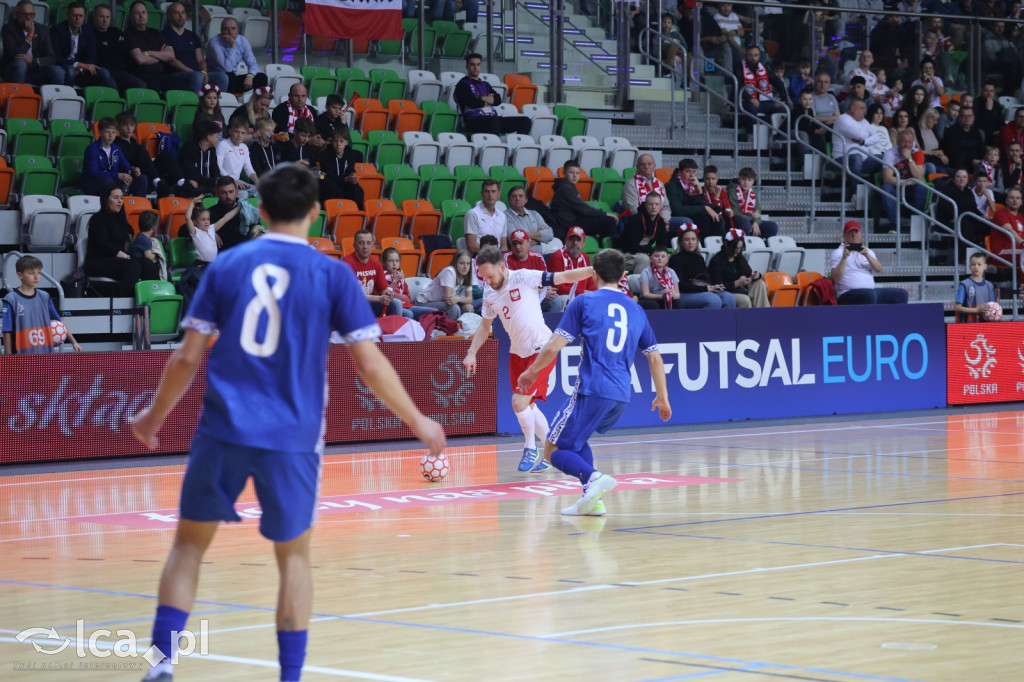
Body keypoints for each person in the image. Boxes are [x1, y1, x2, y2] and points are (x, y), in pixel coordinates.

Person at [131, 163, 445, 682]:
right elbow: (370, 363)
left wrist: (153, 417)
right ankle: (290, 677)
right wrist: (418, 421)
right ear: (317, 214)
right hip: (294, 437)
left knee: (187, 547)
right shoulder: (332, 273)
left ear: (264, 210)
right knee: (294, 560)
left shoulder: (228, 265)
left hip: (223, 429)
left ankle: (162, 663)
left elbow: (186, 357)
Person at [516, 248, 671, 515]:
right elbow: (655, 359)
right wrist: (662, 397)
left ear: (594, 273)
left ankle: (593, 479)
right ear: (624, 275)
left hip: (592, 388)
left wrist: (532, 371)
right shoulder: (636, 309)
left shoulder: (584, 302)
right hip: (622, 394)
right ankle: (592, 499)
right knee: (577, 440)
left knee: (552, 449)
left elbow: (554, 345)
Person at [463, 245, 597, 473]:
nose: (488, 281)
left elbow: (563, 276)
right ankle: (550, 451)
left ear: (502, 267)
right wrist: (471, 352)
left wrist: (595, 269)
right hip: (517, 352)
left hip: (542, 348)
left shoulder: (525, 277)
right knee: (528, 406)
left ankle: (529, 447)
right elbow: (485, 326)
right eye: (484, 277)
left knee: (519, 402)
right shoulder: (488, 292)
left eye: (491, 276)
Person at [2, 255, 81, 354]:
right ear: (20, 275)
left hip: (45, 355)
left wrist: (74, 342)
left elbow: (59, 320)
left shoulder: (45, 296)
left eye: (38, 273)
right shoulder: (11, 299)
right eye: (31, 273)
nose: (36, 277)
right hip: (22, 356)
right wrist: (8, 358)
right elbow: (7, 331)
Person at [84, 186, 154, 296]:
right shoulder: (98, 219)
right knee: (134, 266)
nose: (120, 201)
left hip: (117, 260)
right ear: (106, 199)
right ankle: (123, 303)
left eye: (121, 198)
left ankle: (153, 299)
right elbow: (103, 244)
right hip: (98, 261)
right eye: (116, 198)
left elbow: (129, 230)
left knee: (147, 264)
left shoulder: (120, 219)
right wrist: (123, 255)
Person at [121, 1, 202, 93]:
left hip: (161, 75)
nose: (141, 16)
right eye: (137, 13)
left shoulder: (155, 33)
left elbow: (170, 55)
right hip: (141, 74)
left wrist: (148, 53)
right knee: (156, 89)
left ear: (147, 14)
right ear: (131, 16)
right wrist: (162, 56)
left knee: (183, 90)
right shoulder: (128, 34)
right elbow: (140, 59)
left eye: (143, 12)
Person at [829, 220, 909, 305]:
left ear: (861, 234)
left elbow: (879, 269)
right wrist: (844, 258)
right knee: (868, 295)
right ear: (845, 235)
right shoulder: (838, 253)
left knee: (901, 294)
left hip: (870, 292)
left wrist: (866, 254)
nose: (854, 235)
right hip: (847, 294)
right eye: (850, 233)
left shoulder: (868, 251)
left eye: (856, 232)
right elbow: (835, 277)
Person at [453, 52, 531, 136]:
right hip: (473, 121)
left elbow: (497, 100)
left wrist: (480, 97)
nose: (475, 67)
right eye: (472, 65)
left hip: (492, 119)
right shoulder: (462, 84)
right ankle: (496, 147)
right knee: (492, 121)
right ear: (467, 66)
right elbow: (472, 103)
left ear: (480, 66)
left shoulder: (485, 84)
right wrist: (489, 100)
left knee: (525, 121)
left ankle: (517, 146)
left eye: (478, 64)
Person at [668, 226, 736, 309]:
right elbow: (680, 285)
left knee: (729, 297)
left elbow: (706, 278)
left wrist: (714, 286)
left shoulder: (699, 257)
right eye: (687, 240)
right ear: (681, 242)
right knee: (714, 300)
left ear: (697, 241)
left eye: (693, 239)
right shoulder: (676, 259)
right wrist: (704, 289)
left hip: (701, 290)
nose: (690, 243)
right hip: (684, 293)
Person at [50, 1, 115, 88]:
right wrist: (80, 65)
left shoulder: (88, 30)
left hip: (82, 70)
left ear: (84, 17)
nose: (77, 19)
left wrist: (81, 68)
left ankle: (92, 98)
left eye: (80, 16)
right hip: (65, 66)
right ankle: (68, 98)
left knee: (104, 72)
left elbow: (92, 56)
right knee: (70, 71)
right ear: (68, 15)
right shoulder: (57, 30)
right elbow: (56, 58)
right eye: (74, 15)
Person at [549, 160, 618, 241]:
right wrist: (605, 213)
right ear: (564, 173)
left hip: (574, 219)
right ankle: (610, 249)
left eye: (577, 173)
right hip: (569, 223)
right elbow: (582, 209)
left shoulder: (567, 186)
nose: (575, 176)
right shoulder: (566, 188)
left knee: (605, 220)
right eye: (571, 172)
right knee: (609, 221)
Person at [1, 0, 64, 86]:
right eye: (24, 14)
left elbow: (51, 57)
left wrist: (33, 61)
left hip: (35, 70)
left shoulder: (43, 30)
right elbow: (16, 56)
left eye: (31, 14)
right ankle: (18, 97)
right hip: (14, 70)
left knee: (58, 71)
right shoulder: (9, 28)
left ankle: (52, 98)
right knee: (20, 64)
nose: (28, 17)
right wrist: (29, 35)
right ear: (17, 14)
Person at [343, 229, 404, 317]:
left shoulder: (375, 263)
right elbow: (352, 295)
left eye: (368, 243)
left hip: (370, 305)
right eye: (361, 243)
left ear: (372, 245)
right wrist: (379, 299)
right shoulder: (347, 264)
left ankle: (395, 330)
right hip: (351, 306)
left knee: (406, 312)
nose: (365, 247)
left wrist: (388, 294)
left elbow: (384, 289)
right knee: (396, 305)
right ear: (354, 246)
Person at [82, 117, 148, 197]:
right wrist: (117, 175)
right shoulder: (92, 149)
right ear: (100, 132)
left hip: (113, 182)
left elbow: (126, 167)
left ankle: (139, 206)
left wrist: (133, 170)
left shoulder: (116, 148)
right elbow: (94, 172)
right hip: (93, 184)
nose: (111, 135)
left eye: (113, 132)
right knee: (107, 180)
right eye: (107, 132)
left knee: (142, 178)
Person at [832, 98, 883, 201]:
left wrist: (864, 141)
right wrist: (866, 135)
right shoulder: (842, 119)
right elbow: (860, 134)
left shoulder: (864, 121)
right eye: (862, 108)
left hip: (863, 160)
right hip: (841, 160)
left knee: (884, 158)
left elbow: (877, 138)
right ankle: (853, 193)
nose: (865, 111)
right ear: (853, 109)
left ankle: (878, 193)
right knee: (857, 157)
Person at [708, 228, 769, 308]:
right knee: (745, 299)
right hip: (727, 292)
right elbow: (717, 286)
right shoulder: (717, 261)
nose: (738, 251)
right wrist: (736, 283)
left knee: (760, 284)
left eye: (740, 248)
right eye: (735, 248)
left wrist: (755, 275)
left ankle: (763, 315)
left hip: (741, 289)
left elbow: (748, 273)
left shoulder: (739, 257)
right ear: (726, 244)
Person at [205, 16, 268, 94]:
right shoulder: (214, 43)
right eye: (226, 29)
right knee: (230, 76)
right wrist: (232, 46)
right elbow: (227, 68)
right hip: (215, 79)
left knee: (262, 77)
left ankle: (256, 102)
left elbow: (252, 63)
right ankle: (229, 102)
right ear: (221, 31)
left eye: (233, 28)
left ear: (238, 30)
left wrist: (250, 76)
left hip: (232, 79)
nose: (230, 32)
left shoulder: (243, 41)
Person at [504, 228, 561, 311]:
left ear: (528, 243)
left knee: (556, 300)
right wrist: (540, 291)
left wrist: (547, 289)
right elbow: (514, 285)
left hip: (537, 293)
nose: (517, 247)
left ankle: (549, 324)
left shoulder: (537, 257)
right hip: (517, 297)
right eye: (514, 244)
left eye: (520, 243)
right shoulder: (506, 258)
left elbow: (545, 280)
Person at [735, 45, 786, 135]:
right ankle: (752, 134)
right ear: (746, 56)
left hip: (765, 102)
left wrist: (782, 99)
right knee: (751, 108)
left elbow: (778, 82)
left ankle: (775, 134)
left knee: (783, 109)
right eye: (750, 55)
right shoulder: (739, 67)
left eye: (755, 55)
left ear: (759, 56)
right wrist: (750, 98)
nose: (753, 58)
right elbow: (737, 87)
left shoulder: (763, 67)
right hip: (746, 102)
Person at [92, 3, 145, 90]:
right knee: (112, 86)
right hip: (103, 71)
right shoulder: (91, 33)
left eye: (108, 17)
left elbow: (127, 47)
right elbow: (101, 52)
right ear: (94, 17)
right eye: (101, 17)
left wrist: (109, 45)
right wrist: (116, 44)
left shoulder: (115, 31)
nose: (105, 20)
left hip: (122, 71)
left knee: (140, 85)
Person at [881, 130, 927, 229]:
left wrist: (909, 158)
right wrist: (909, 182)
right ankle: (894, 223)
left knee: (922, 187)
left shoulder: (917, 153)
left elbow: (919, 176)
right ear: (897, 142)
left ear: (913, 143)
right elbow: (887, 179)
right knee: (886, 187)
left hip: (911, 189)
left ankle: (916, 222)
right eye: (903, 142)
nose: (906, 145)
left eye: (909, 142)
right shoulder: (889, 153)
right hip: (896, 187)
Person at [115, 112, 168, 198]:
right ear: (118, 127)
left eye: (131, 125)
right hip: (127, 180)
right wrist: (134, 169)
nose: (129, 128)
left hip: (144, 177)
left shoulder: (136, 145)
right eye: (125, 125)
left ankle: (180, 182)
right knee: (142, 176)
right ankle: (157, 182)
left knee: (166, 155)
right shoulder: (115, 145)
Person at [616, 192, 670, 274]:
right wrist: (652, 252)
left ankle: (663, 285)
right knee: (644, 259)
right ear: (645, 205)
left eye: (656, 204)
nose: (653, 207)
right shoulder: (635, 220)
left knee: (667, 258)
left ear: (660, 206)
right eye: (650, 204)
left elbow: (662, 245)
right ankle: (639, 285)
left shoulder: (660, 222)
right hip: (625, 255)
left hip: (644, 253)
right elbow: (632, 247)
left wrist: (657, 254)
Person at [666, 158, 720, 239]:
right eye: (688, 171)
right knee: (703, 218)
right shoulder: (671, 186)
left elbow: (704, 203)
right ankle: (701, 246)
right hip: (678, 215)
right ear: (680, 172)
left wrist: (699, 189)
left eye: (694, 172)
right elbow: (678, 210)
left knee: (717, 219)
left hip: (691, 213)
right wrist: (704, 208)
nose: (691, 175)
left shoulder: (693, 185)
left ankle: (716, 247)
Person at [546, 225, 597, 310]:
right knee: (570, 300)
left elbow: (590, 283)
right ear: (566, 240)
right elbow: (558, 288)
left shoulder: (585, 257)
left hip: (581, 295)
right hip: (562, 297)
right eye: (572, 239)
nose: (575, 243)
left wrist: (593, 293)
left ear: (583, 243)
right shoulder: (557, 257)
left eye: (578, 240)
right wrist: (583, 293)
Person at [414, 249, 474, 320]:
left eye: (468, 263)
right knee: (454, 308)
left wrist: (459, 298)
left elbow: (470, 299)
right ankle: (448, 329)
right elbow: (449, 300)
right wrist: (458, 299)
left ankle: (466, 329)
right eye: (461, 263)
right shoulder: (449, 272)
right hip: (424, 302)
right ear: (455, 263)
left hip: (441, 302)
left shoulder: (467, 274)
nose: (465, 267)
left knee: (469, 307)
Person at [161, 2, 209, 89]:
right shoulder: (164, 35)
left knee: (222, 77)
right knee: (197, 77)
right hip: (176, 74)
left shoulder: (192, 35)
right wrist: (192, 72)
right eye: (176, 13)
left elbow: (201, 60)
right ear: (169, 15)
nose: (181, 15)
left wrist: (204, 73)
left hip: (196, 73)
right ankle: (194, 102)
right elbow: (171, 60)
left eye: (183, 12)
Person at [505, 185, 562, 257]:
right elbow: (515, 241)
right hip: (523, 257)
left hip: (542, 253)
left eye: (521, 196)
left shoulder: (534, 213)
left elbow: (550, 234)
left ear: (526, 200)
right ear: (509, 200)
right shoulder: (505, 216)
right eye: (514, 196)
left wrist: (525, 234)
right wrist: (540, 237)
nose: (517, 198)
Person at [318, 128, 364, 209]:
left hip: (345, 181)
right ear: (332, 142)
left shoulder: (350, 154)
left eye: (341, 141)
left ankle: (356, 212)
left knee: (356, 189)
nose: (338, 144)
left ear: (346, 142)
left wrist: (352, 175)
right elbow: (327, 173)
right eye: (335, 141)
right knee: (330, 185)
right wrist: (345, 179)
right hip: (330, 181)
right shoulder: (325, 154)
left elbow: (350, 169)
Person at [620, 154, 672, 224]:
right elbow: (633, 209)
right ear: (637, 167)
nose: (646, 167)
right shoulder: (630, 184)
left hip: (661, 219)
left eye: (649, 164)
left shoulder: (660, 183)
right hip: (639, 221)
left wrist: (664, 220)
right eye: (642, 164)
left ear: (654, 166)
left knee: (684, 221)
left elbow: (666, 207)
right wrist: (654, 220)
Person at [728, 167, 779, 238]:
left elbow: (757, 212)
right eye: (743, 179)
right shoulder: (732, 191)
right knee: (745, 223)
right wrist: (752, 217)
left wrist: (756, 222)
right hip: (737, 220)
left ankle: (758, 244)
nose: (746, 182)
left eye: (749, 180)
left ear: (753, 182)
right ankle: (744, 245)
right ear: (739, 179)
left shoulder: (753, 192)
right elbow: (736, 212)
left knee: (772, 227)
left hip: (750, 220)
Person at [184, 193, 232, 265]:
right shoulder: (195, 232)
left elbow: (226, 218)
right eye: (203, 219)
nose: (206, 222)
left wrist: (239, 207)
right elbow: (187, 218)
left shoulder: (212, 228)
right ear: (194, 222)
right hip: (200, 264)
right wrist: (192, 202)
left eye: (208, 219)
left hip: (212, 264)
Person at [208, 176, 254, 250]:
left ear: (236, 192)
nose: (228, 196)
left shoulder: (247, 210)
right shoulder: (210, 213)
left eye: (231, 192)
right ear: (217, 193)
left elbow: (258, 230)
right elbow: (185, 230)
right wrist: (209, 232)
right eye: (223, 193)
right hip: (223, 255)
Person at [178, 119, 222, 197]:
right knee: (193, 183)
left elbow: (215, 169)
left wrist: (217, 180)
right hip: (193, 182)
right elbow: (191, 174)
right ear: (209, 138)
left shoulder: (211, 149)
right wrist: (213, 182)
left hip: (207, 183)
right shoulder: (189, 148)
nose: (218, 139)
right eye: (216, 136)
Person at [217, 117, 258, 199]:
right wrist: (233, 181)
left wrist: (258, 183)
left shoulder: (244, 147)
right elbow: (219, 167)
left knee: (261, 191)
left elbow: (249, 169)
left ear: (246, 134)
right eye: (236, 132)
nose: (239, 135)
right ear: (230, 131)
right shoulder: (223, 145)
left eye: (243, 133)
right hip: (223, 181)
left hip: (237, 181)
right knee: (243, 194)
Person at [464, 179, 508, 254]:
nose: (490, 195)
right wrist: (491, 253)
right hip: (479, 257)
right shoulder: (473, 214)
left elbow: (504, 246)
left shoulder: (502, 216)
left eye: (493, 191)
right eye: (487, 191)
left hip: (497, 258)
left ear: (499, 194)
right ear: (482, 193)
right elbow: (471, 246)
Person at [990, 187, 1024, 278]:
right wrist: (1022, 242)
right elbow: (1009, 230)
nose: (1014, 200)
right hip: (1001, 253)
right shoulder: (1000, 214)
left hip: (1019, 252)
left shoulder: (1021, 217)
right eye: (1011, 198)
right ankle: (1022, 286)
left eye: (1017, 198)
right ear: (1006, 201)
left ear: (1021, 202)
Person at [954, 252, 998, 322]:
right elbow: (957, 308)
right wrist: (977, 310)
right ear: (969, 266)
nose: (976, 267)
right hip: (968, 325)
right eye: (973, 264)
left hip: (985, 324)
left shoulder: (989, 286)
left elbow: (992, 307)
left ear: (985, 266)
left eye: (979, 264)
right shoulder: (965, 284)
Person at [702, 165, 744, 235]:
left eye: (713, 179)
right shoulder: (701, 191)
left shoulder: (722, 191)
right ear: (703, 179)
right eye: (707, 179)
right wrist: (716, 197)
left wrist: (730, 212)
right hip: (709, 219)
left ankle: (741, 242)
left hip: (723, 218)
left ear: (717, 179)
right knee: (720, 220)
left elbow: (727, 209)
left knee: (741, 220)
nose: (710, 182)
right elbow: (714, 211)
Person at [942, 106, 986, 172]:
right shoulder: (951, 132)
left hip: (976, 164)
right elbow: (953, 153)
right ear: (959, 117)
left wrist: (980, 160)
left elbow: (981, 149)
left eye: (970, 116)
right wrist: (971, 161)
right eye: (964, 116)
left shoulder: (976, 132)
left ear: (973, 117)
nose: (967, 118)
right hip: (958, 166)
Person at [638, 246, 680, 310]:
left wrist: (673, 296)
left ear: (667, 259)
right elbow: (645, 294)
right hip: (651, 298)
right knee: (653, 305)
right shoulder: (645, 272)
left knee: (677, 303)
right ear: (651, 258)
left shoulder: (671, 271)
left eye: (663, 256)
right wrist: (662, 296)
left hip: (667, 297)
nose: (660, 258)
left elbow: (678, 294)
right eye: (656, 256)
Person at [249, 115, 282, 184]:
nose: (271, 133)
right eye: (267, 130)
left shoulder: (274, 147)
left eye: (272, 131)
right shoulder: (254, 149)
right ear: (259, 133)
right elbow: (257, 170)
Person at [131, 210, 163, 279]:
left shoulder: (139, 236)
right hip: (140, 263)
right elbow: (149, 256)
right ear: (154, 228)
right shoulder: (145, 239)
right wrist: (156, 254)